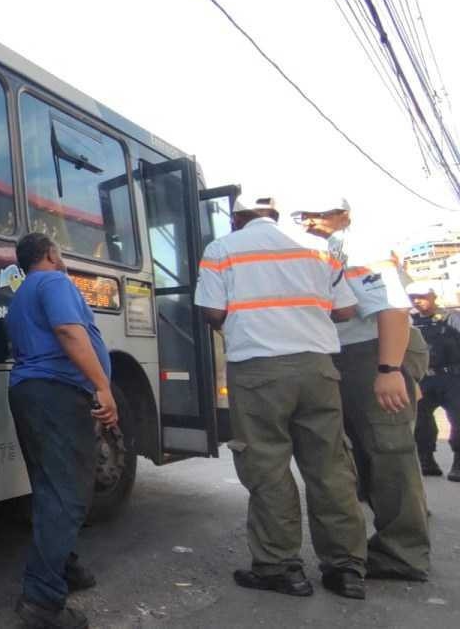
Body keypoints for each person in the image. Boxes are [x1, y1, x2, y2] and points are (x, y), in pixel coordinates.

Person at [194, 195, 368, 599]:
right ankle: (346, 570)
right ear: (274, 214)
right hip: (316, 366)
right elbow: (345, 311)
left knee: (267, 466)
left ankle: (280, 567)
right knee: (330, 466)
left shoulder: (222, 249)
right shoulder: (320, 248)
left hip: (257, 368)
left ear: (236, 217)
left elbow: (212, 312)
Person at [292, 198, 431, 582]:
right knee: (365, 456)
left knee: (389, 452)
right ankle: (392, 540)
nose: (308, 220)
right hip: (349, 354)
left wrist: (389, 370)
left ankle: (404, 554)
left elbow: (392, 309)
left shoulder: (360, 247)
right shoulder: (326, 248)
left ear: (343, 214)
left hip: (373, 351)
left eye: (317, 212)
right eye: (302, 213)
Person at [5, 232, 117, 629]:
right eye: (60, 250)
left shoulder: (21, 294)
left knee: (51, 489)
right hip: (56, 394)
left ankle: (64, 566)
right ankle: (41, 601)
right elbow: (70, 333)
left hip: (31, 394)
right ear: (51, 253)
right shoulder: (54, 281)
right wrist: (103, 387)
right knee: (68, 495)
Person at [407, 281, 460, 480]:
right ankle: (426, 459)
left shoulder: (452, 318)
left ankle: (458, 462)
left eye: (422, 296)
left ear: (434, 296)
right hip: (423, 378)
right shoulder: (410, 321)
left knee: (458, 419)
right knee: (421, 421)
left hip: (452, 378)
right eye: (413, 298)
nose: (418, 301)